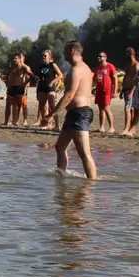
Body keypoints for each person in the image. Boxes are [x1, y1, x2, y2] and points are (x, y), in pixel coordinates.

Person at [43, 41, 97, 180]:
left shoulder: (77, 69)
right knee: (60, 147)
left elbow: (69, 96)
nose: (63, 54)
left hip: (80, 113)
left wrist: (51, 114)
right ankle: (61, 178)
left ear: (72, 51)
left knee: (84, 153)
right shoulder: (83, 67)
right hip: (74, 114)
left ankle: (92, 184)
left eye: (65, 51)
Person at [34, 50, 63, 130]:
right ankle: (46, 124)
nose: (43, 57)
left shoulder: (52, 65)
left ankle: (57, 125)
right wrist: (37, 78)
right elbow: (38, 76)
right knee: (42, 106)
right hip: (41, 87)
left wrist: (52, 82)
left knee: (52, 107)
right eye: (42, 56)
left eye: (45, 56)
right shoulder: (40, 66)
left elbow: (60, 75)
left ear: (49, 57)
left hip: (50, 88)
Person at [4, 53, 33, 126]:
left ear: (21, 59)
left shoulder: (25, 67)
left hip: (20, 88)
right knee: (11, 105)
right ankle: (9, 121)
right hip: (12, 87)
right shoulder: (12, 67)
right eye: (14, 58)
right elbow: (6, 75)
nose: (14, 60)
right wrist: (7, 84)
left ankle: (23, 120)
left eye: (15, 58)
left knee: (23, 105)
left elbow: (31, 76)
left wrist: (25, 85)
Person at [93, 50, 117, 133]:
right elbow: (95, 78)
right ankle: (101, 127)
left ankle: (112, 127)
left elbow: (115, 78)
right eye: (98, 56)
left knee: (107, 108)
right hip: (99, 90)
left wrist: (115, 90)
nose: (99, 58)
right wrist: (95, 81)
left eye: (101, 56)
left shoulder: (110, 66)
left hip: (107, 90)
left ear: (105, 57)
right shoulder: (98, 68)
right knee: (100, 109)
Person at [124, 51, 139, 137]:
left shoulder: (138, 66)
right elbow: (134, 80)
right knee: (136, 111)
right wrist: (136, 80)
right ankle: (131, 130)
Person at [120, 48, 139, 136]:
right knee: (130, 110)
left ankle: (126, 129)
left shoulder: (136, 65)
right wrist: (122, 90)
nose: (127, 55)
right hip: (126, 89)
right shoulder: (128, 64)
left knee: (127, 109)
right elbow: (126, 77)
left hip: (132, 91)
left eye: (128, 53)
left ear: (132, 54)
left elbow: (136, 80)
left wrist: (132, 92)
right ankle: (132, 130)